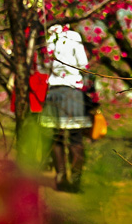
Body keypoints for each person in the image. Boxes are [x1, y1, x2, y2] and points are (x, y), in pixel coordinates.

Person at [38, 24, 93, 193]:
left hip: (54, 90)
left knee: (57, 137)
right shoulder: (74, 37)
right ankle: (76, 177)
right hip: (72, 90)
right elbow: (83, 64)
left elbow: (42, 68)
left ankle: (60, 174)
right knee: (75, 138)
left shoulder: (49, 41)